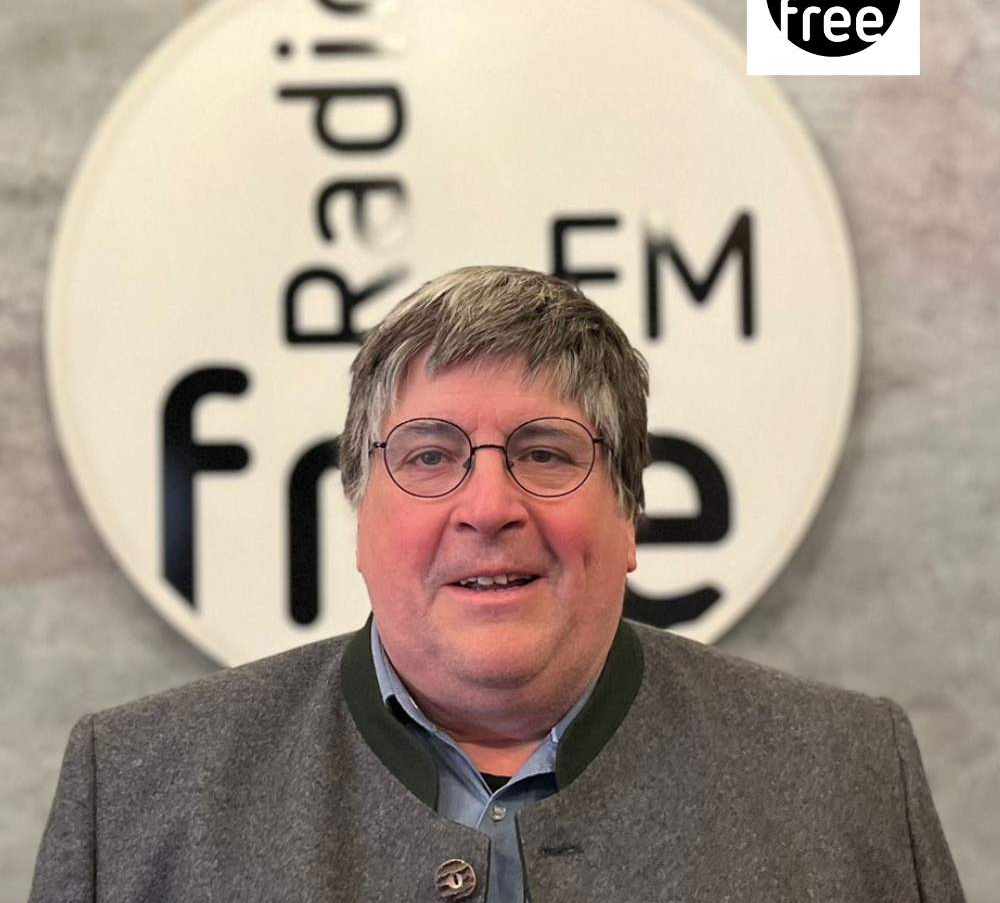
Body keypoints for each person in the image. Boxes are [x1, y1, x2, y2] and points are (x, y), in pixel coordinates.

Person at [30, 266, 965, 902]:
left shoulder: (848, 777)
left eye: (546, 453)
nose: (487, 507)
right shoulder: (137, 793)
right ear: (360, 518)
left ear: (629, 515)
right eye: (429, 455)